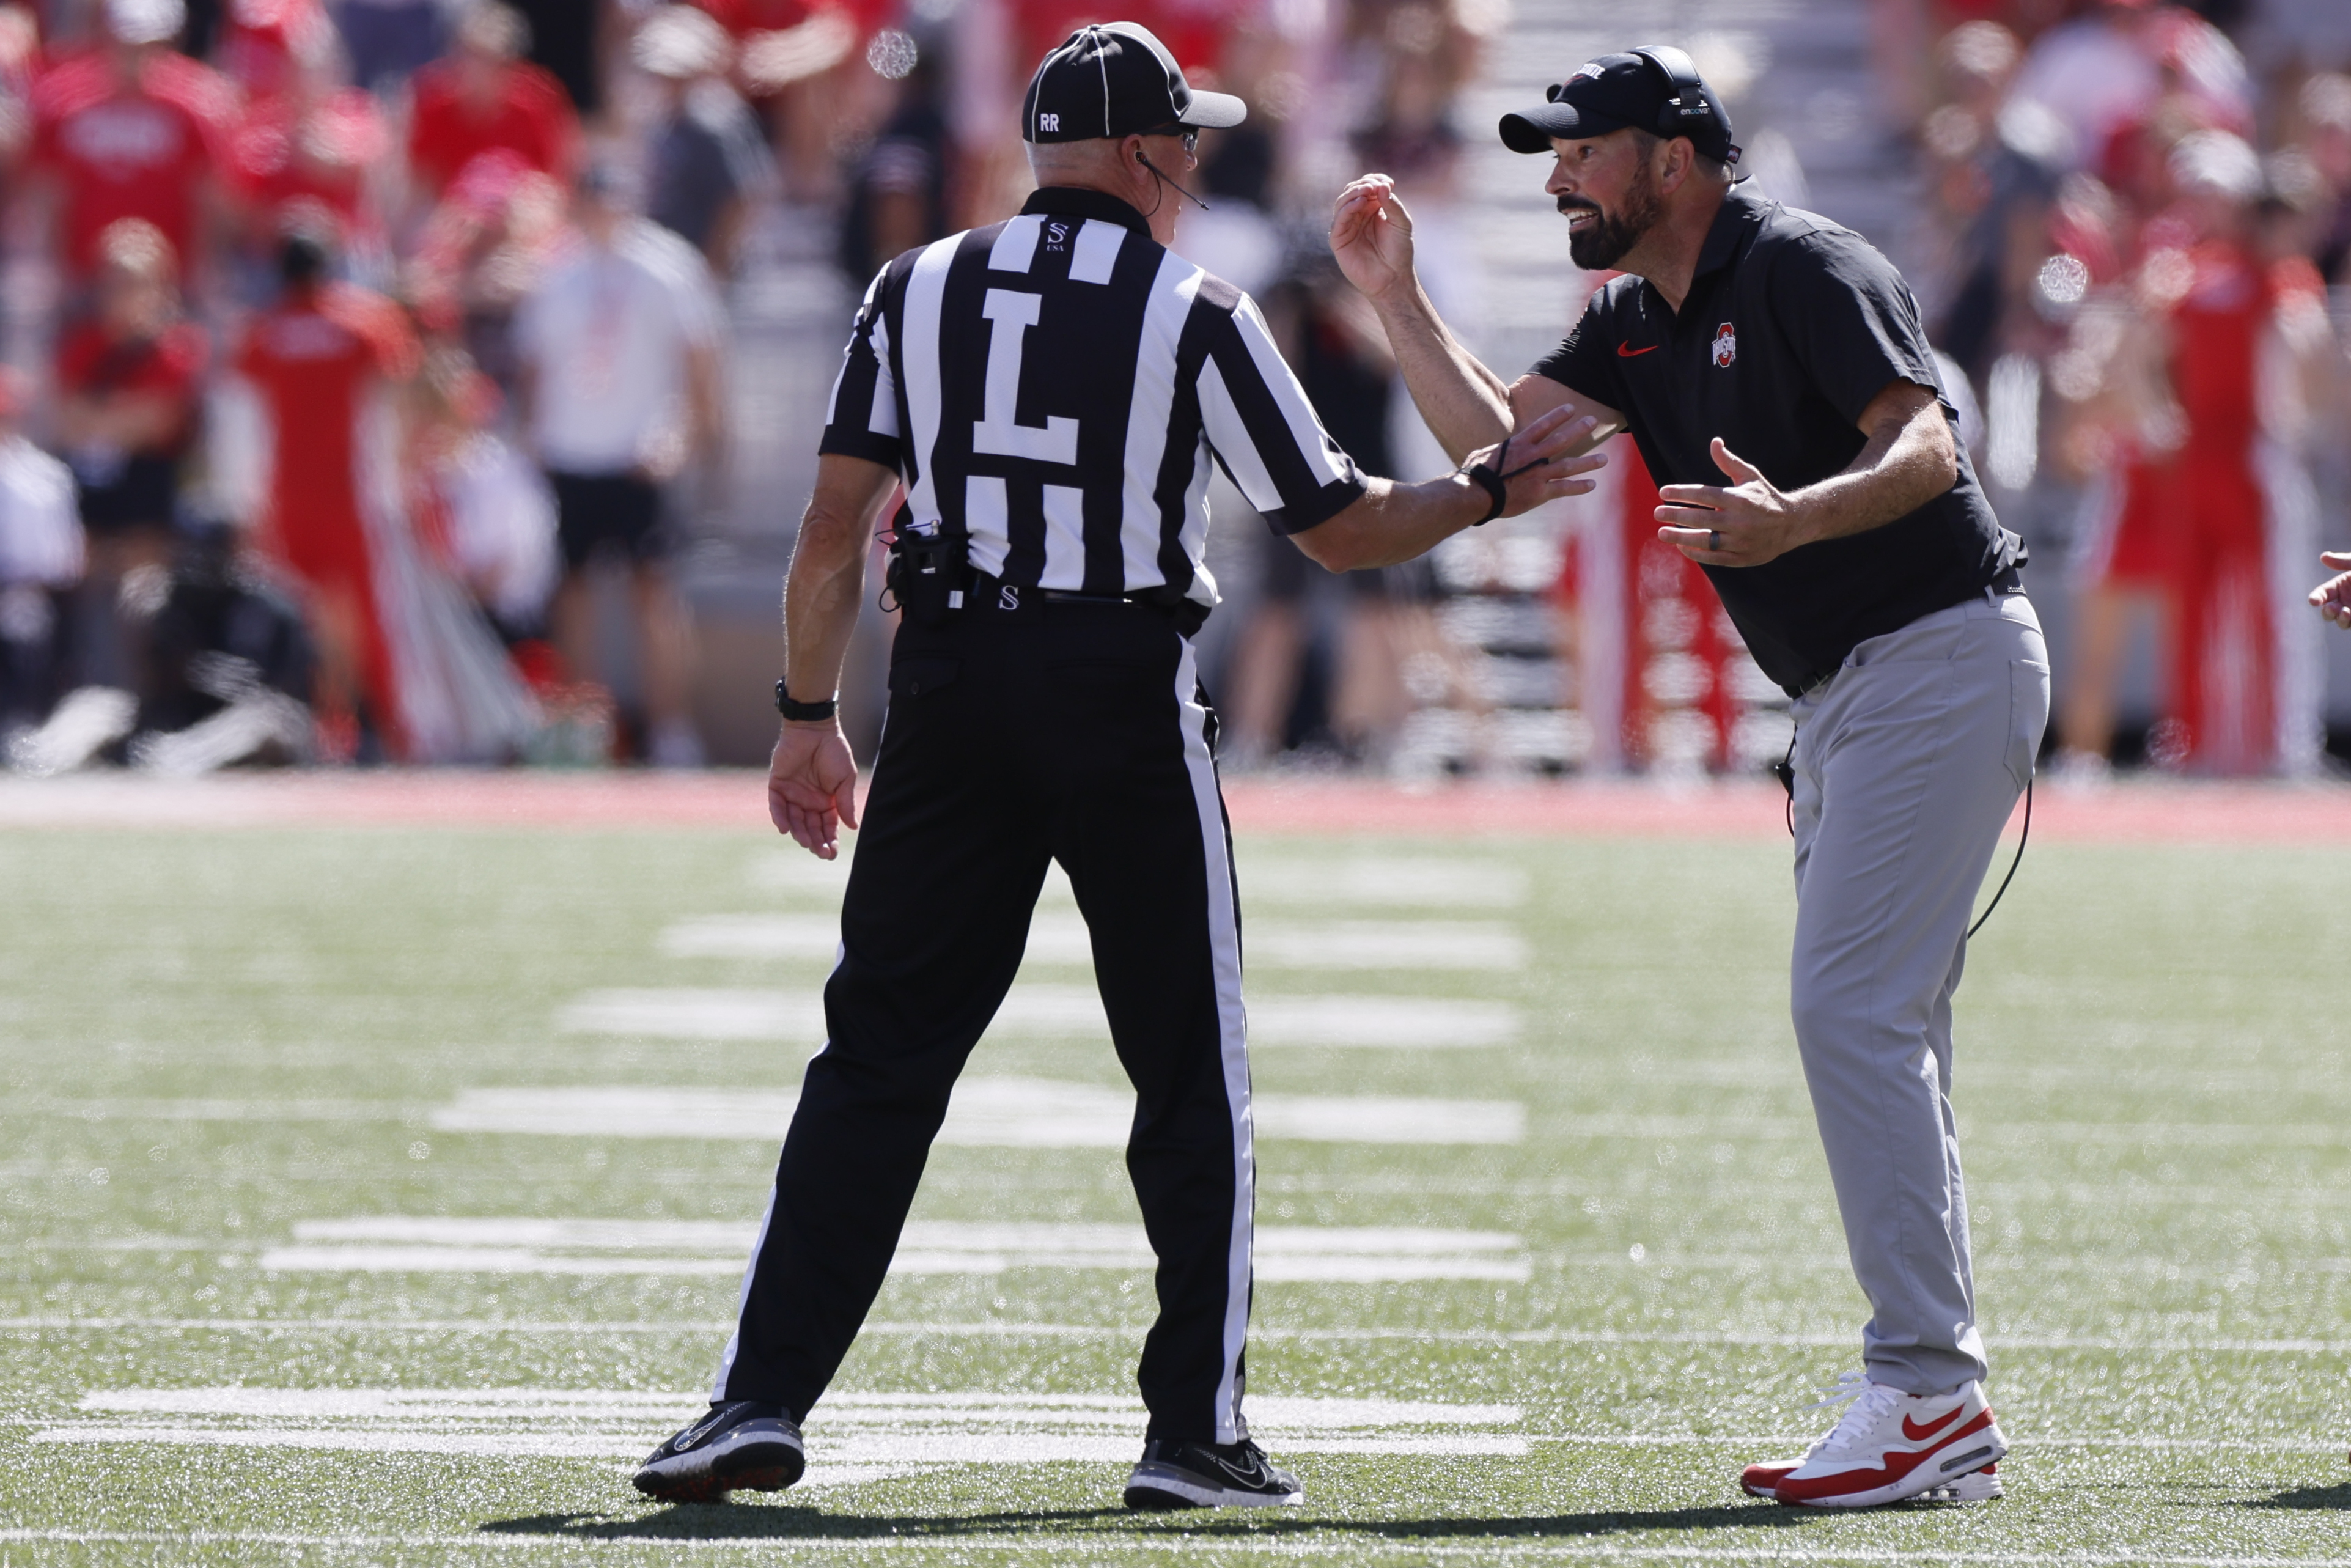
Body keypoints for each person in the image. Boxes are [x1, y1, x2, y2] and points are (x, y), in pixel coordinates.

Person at [627, 19, 1599, 1512]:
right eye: (1184, 143)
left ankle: (752, 1400)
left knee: (878, 1054)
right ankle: (1191, 1430)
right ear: (1145, 155)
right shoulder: (1192, 306)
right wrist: (1481, 492)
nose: (1197, 166)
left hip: (947, 686)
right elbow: (1334, 527)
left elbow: (834, 529)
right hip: (1116, 684)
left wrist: (806, 715)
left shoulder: (915, 282)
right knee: (1184, 1066)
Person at [1329, 46, 2042, 1507]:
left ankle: (1924, 1385)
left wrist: (1795, 524)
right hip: (1857, 686)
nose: (1555, 174)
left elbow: (1924, 443)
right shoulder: (1632, 313)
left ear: (1673, 156)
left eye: (1582, 148)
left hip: (1936, 653)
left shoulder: (1797, 263)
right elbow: (1505, 454)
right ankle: (1932, 1392)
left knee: (1847, 1008)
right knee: (1882, 1021)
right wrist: (1393, 298)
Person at [511, 161, 725, 767]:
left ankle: (670, 729)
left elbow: (699, 358)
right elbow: (533, 363)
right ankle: (586, 733)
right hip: (572, 449)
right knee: (573, 594)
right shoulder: (557, 271)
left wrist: (684, 434)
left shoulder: (666, 267)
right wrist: (534, 437)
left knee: (654, 594)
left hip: (640, 455)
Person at [230, 227, 421, 760]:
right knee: (369, 615)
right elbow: (392, 401)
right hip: (351, 496)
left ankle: (318, 728)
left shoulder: (263, 331)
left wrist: (246, 502)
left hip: (286, 497)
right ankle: (389, 728)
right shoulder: (363, 322)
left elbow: (242, 420)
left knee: (298, 621)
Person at [23, 0, 234, 295]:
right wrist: (52, 271)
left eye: (146, 44)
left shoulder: (194, 106)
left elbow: (206, 196)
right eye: (125, 42)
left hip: (169, 284)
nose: (135, 55)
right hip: (84, 278)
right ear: (106, 37)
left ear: (166, 43)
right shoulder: (68, 103)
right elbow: (51, 192)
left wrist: (201, 273)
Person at [403, 1, 578, 207]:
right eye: (470, 56)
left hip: (519, 214)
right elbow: (419, 182)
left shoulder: (537, 103)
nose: (478, 70)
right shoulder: (433, 99)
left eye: (490, 61)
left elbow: (556, 179)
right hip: (451, 214)